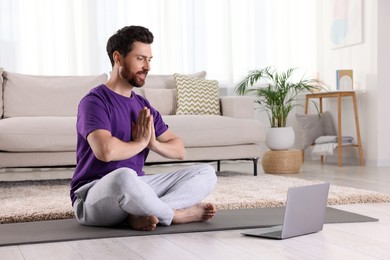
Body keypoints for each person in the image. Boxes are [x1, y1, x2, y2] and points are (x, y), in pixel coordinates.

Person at [70, 25, 217, 231]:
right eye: (140, 59)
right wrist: (139, 142)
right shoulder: (94, 101)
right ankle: (173, 214)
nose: (147, 66)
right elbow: (105, 151)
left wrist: (154, 144)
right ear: (118, 58)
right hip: (93, 194)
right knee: (124, 176)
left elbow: (179, 149)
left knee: (206, 173)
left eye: (149, 60)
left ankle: (139, 213)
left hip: (137, 188)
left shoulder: (142, 106)